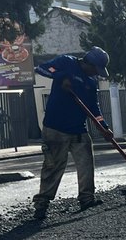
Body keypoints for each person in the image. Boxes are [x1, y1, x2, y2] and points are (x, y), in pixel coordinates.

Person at [31, 46, 113, 220]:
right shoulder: (65, 62)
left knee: (86, 163)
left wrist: (103, 127)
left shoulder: (91, 83)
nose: (96, 74)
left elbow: (94, 108)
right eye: (95, 70)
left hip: (78, 129)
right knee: (53, 166)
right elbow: (43, 68)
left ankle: (86, 199)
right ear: (88, 63)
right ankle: (42, 204)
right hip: (55, 128)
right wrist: (61, 77)